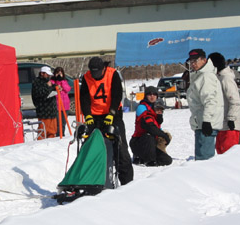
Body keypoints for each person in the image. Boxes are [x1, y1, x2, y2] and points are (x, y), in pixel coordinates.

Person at [80, 56, 134, 185]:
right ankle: (88, 180)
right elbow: (84, 98)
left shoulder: (112, 74)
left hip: (112, 114)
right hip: (94, 116)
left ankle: (128, 183)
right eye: (93, 73)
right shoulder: (87, 77)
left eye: (98, 73)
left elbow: (117, 94)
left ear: (103, 69)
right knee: (89, 146)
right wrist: (87, 115)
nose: (95, 76)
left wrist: (112, 113)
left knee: (121, 149)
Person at [186, 48, 223, 161]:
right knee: (202, 158)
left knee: (204, 160)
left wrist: (207, 121)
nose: (192, 64)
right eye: (190, 62)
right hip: (201, 121)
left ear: (204, 60)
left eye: (195, 61)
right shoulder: (199, 76)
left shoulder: (206, 76)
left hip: (206, 123)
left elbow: (210, 100)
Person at [208, 52, 240, 154]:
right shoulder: (219, 78)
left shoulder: (226, 79)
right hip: (222, 123)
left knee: (228, 154)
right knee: (220, 151)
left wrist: (231, 118)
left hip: (230, 125)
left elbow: (235, 101)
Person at [130, 99, 172, 167]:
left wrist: (165, 135)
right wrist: (164, 135)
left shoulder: (156, 119)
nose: (159, 111)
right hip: (138, 143)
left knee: (167, 160)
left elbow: (157, 130)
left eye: (161, 110)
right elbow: (152, 129)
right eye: (157, 109)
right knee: (149, 136)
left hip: (150, 145)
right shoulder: (147, 116)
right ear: (153, 109)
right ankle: (148, 160)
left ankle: (147, 158)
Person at [31, 66, 60, 139]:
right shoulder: (36, 82)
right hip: (43, 112)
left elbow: (52, 87)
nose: (49, 76)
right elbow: (40, 93)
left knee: (52, 132)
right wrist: (48, 86)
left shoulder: (48, 82)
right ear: (42, 73)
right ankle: (41, 147)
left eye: (49, 74)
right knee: (43, 132)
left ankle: (51, 147)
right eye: (47, 74)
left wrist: (57, 87)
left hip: (52, 111)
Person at [52, 66, 72, 133]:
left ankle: (62, 135)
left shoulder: (64, 81)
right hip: (57, 106)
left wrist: (62, 82)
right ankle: (58, 136)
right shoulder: (52, 82)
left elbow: (68, 89)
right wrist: (57, 83)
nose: (59, 75)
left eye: (60, 73)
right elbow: (51, 91)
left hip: (65, 105)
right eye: (57, 73)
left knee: (63, 123)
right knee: (58, 124)